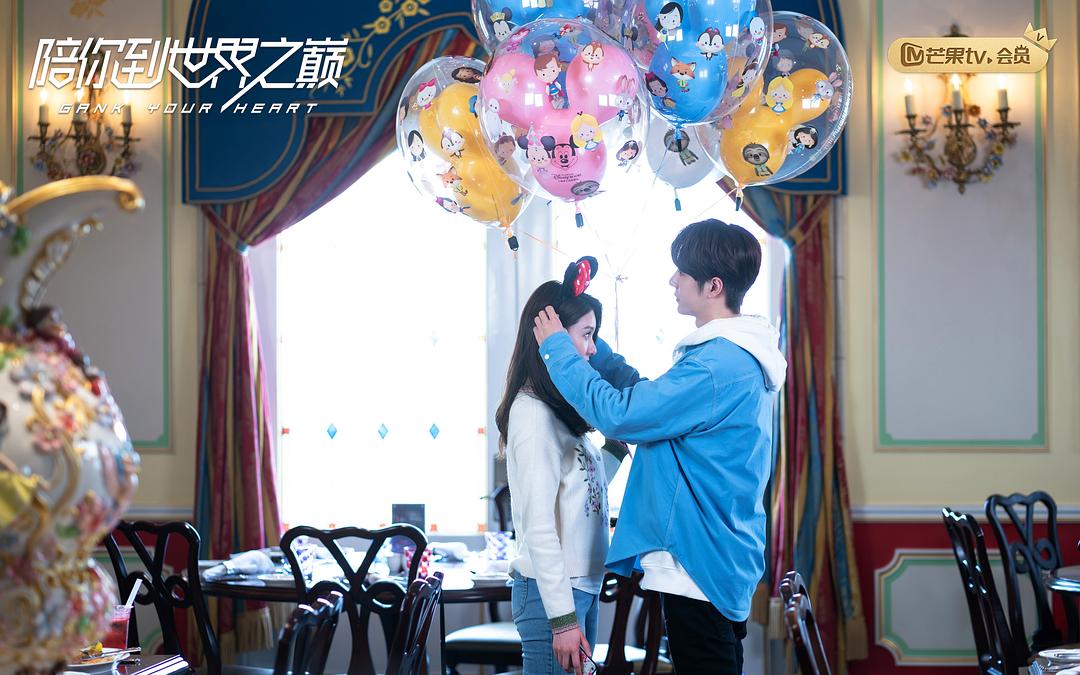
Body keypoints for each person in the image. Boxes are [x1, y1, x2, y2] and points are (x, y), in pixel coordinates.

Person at [533, 219, 787, 675]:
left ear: (713, 286)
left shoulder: (715, 365)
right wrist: (593, 348)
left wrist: (559, 349)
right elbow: (652, 402)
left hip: (697, 564)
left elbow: (623, 415)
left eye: (682, 272)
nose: (673, 280)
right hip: (715, 557)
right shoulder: (732, 358)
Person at [496, 257, 627, 675]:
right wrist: (563, 619)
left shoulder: (557, 411)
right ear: (550, 334)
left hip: (577, 590)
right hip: (553, 596)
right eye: (586, 334)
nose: (593, 349)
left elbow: (581, 492)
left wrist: (617, 447)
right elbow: (539, 526)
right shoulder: (533, 414)